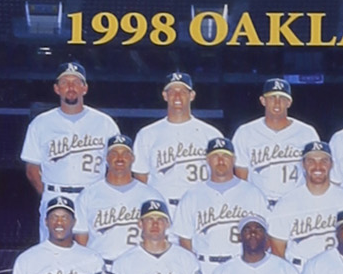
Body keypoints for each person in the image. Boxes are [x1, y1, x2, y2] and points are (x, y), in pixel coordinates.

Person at [20, 59, 117, 210]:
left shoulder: (105, 123)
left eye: (76, 82)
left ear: (84, 88)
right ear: (57, 89)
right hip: (55, 195)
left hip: (94, 197)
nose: (71, 87)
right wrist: (48, 195)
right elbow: (32, 170)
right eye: (65, 82)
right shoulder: (41, 123)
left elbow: (116, 165)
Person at [134, 68, 221, 197]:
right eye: (172, 91)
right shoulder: (147, 134)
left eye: (183, 92)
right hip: (162, 207)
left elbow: (220, 175)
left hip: (199, 204)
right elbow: (140, 176)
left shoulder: (211, 134)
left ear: (192, 96)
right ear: (165, 95)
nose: (177, 96)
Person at [233, 75, 316, 193]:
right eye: (272, 98)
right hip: (259, 202)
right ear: (263, 101)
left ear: (289, 102)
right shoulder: (245, 132)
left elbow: (314, 172)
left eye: (282, 98)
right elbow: (241, 176)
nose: (277, 103)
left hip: (295, 201)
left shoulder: (307, 132)